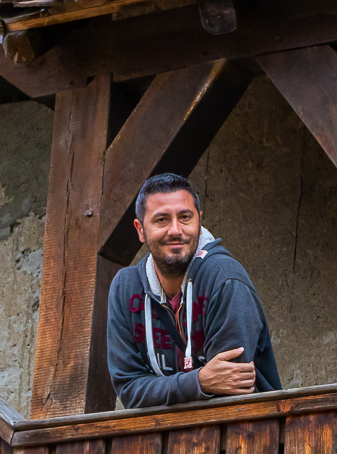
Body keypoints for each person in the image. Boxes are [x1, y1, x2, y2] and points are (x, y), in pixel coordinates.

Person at [106, 173, 280, 408]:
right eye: (162, 220)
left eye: (185, 217)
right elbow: (128, 390)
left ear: (199, 222)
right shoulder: (126, 288)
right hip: (161, 441)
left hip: (246, 435)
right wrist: (199, 381)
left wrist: (161, 390)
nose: (175, 230)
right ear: (140, 229)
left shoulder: (224, 279)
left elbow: (230, 389)